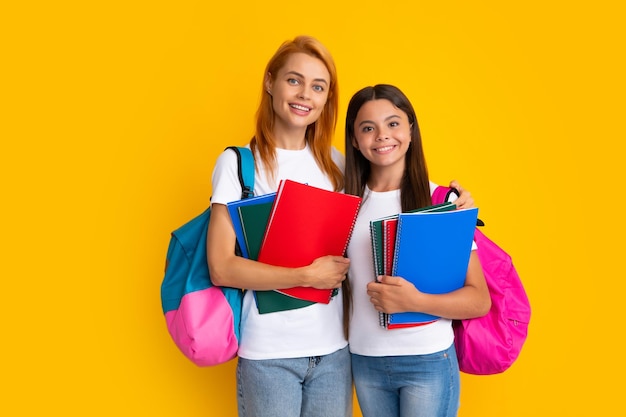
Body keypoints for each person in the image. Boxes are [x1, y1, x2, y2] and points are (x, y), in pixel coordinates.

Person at [206, 36, 474, 417]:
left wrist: (454, 198)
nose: (305, 95)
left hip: (335, 353)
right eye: (294, 80)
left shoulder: (338, 167)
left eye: (318, 86)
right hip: (269, 352)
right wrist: (305, 275)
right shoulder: (238, 164)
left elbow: (395, 183)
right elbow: (221, 267)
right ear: (270, 82)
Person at [344, 84, 491, 417]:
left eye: (393, 123)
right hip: (365, 361)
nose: (382, 135)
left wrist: (413, 302)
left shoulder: (443, 202)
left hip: (427, 361)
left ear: (411, 129)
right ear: (354, 140)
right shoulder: (344, 203)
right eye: (368, 128)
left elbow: (479, 299)